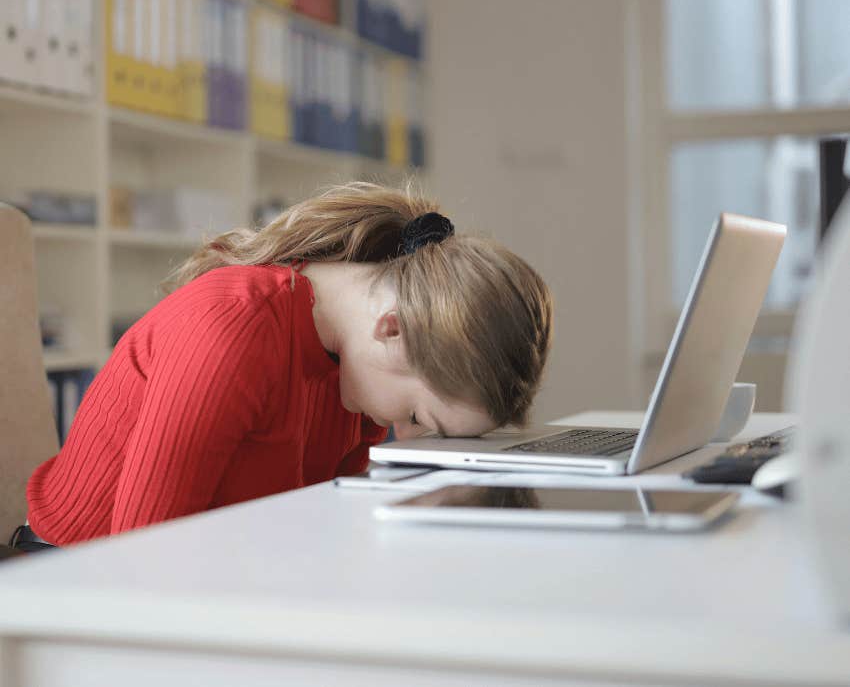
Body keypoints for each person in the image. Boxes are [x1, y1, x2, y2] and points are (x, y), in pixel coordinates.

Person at [22, 182, 553, 547]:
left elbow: (323, 526)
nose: (407, 439)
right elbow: (143, 562)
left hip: (221, 571)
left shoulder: (359, 367)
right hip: (77, 584)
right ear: (393, 329)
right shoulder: (233, 328)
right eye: (419, 419)